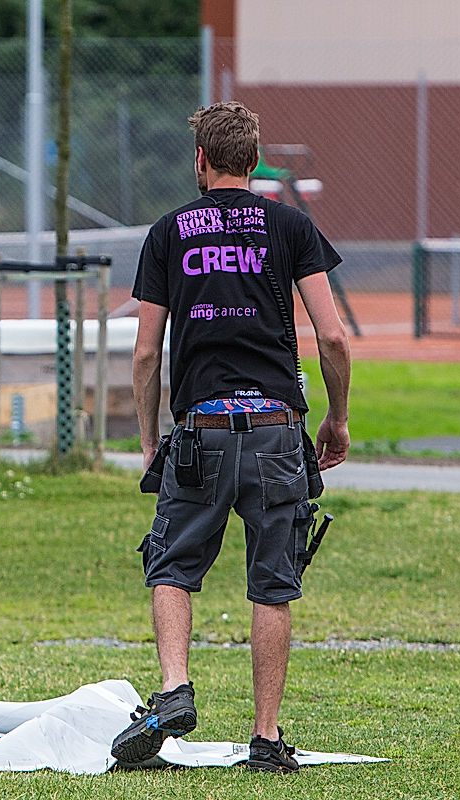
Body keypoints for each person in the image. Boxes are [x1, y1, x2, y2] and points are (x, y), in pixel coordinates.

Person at [112, 102, 351, 773]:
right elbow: (332, 336)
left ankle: (172, 690)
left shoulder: (168, 233)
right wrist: (337, 417)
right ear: (252, 161)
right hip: (277, 430)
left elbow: (144, 354)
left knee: (170, 563)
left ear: (201, 161)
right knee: (272, 584)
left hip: (201, 431)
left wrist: (151, 435)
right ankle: (267, 740)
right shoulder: (292, 227)